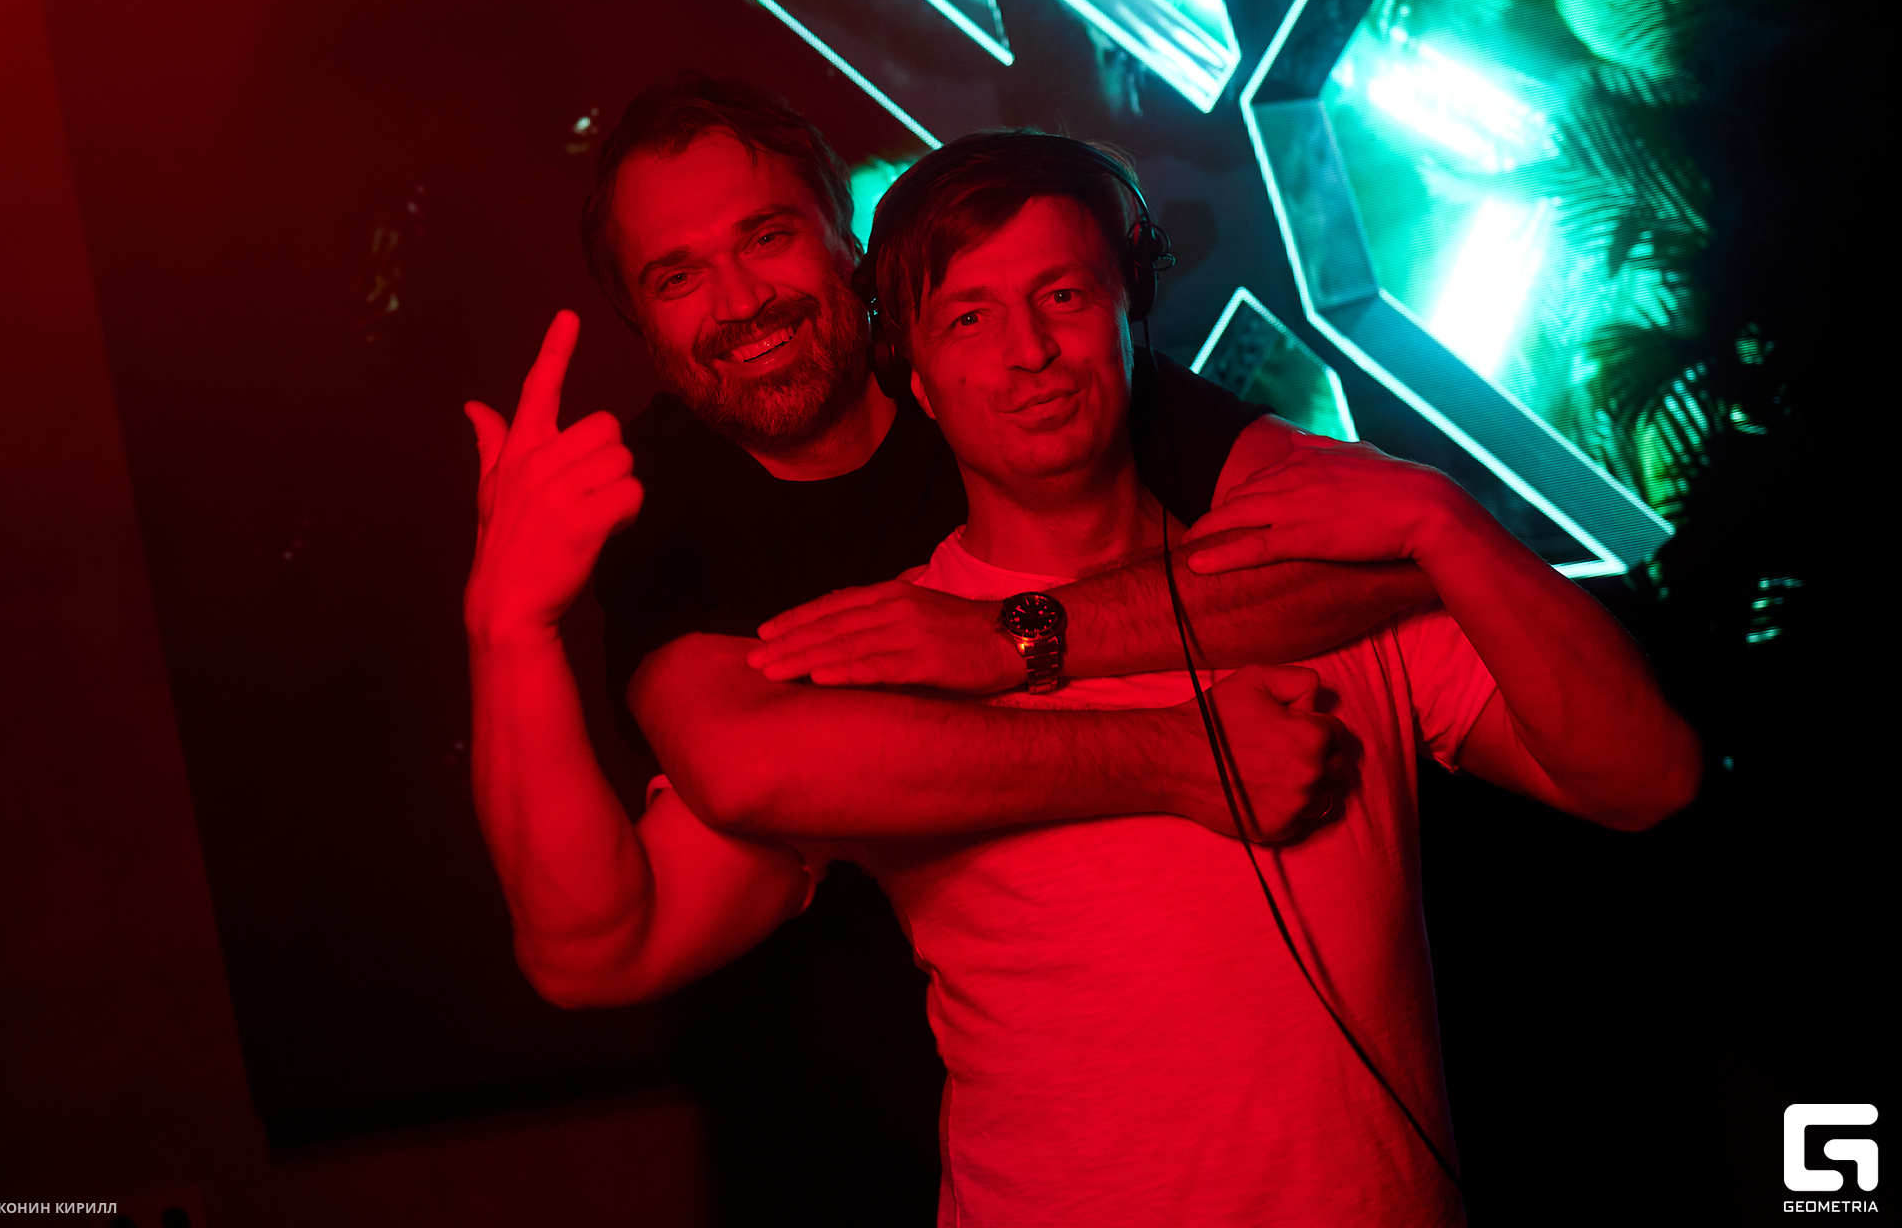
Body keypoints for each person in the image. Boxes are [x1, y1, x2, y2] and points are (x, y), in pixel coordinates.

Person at [629, 129, 1703, 1224]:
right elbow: (619, 938)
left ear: (1128, 317)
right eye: (970, 319)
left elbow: (1647, 777)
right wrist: (528, 627)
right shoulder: (889, 646)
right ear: (918, 379)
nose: (1029, 352)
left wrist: (1445, 519)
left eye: (1063, 296)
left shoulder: (1317, 585)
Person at [462, 75, 1433, 1222]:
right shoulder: (663, 500)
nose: (741, 301)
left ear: (848, 239)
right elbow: (652, 877)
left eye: (766, 236)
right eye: (677, 276)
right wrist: (507, 630)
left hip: (1275, 1117)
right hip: (913, 1145)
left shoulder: (1006, 363)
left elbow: (1389, 552)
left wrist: (1008, 636)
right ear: (639, 318)